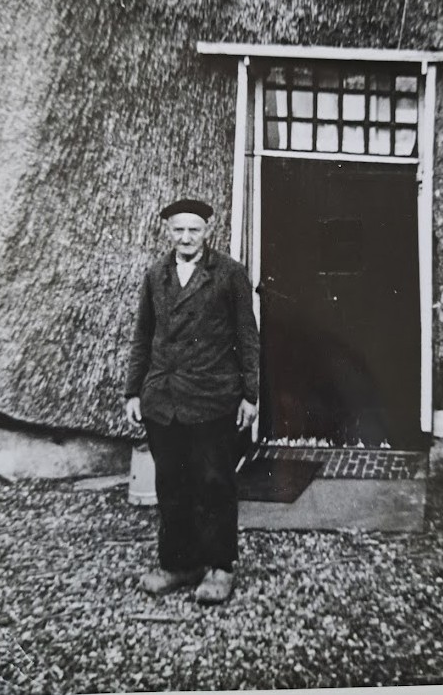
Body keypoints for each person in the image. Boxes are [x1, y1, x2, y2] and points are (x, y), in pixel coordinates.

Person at [125, 198, 259, 604]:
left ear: (207, 231)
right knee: (171, 483)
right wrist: (134, 391)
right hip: (163, 399)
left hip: (211, 398)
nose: (185, 238)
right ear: (168, 230)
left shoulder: (229, 274)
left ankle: (220, 566)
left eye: (194, 230)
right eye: (178, 230)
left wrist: (250, 395)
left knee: (214, 482)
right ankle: (179, 563)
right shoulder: (156, 275)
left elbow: (247, 338)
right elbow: (143, 336)